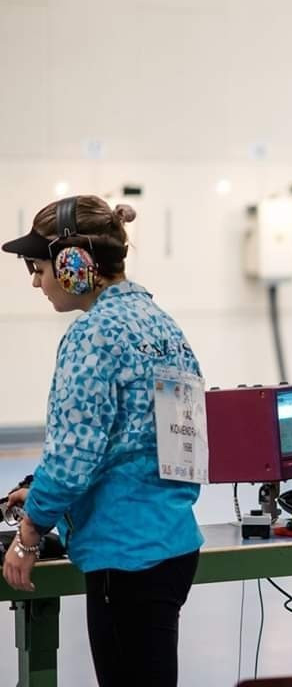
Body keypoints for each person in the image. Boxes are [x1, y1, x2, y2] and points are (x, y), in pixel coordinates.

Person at [1, 195, 203, 687]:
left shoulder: (93, 334)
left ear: (74, 265)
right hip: (173, 543)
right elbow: (161, 442)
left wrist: (28, 536)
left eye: (38, 266)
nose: (35, 280)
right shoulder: (163, 326)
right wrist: (51, 500)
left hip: (125, 555)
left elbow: (73, 457)